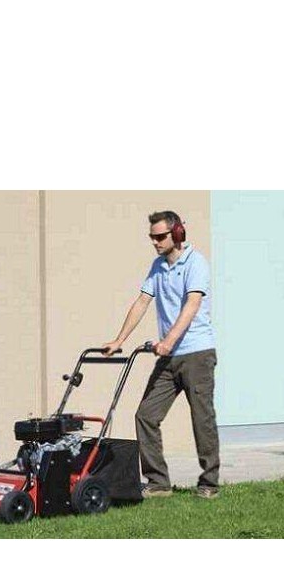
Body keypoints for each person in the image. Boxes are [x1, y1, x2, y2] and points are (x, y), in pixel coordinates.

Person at [101, 210, 220, 498]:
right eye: (151, 237)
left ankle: (209, 483)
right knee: (145, 415)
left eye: (160, 237)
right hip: (168, 358)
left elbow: (191, 305)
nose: (155, 242)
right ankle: (158, 483)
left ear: (177, 233)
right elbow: (142, 301)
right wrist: (119, 339)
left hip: (197, 354)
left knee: (202, 419)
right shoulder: (157, 266)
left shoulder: (196, 263)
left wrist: (168, 341)